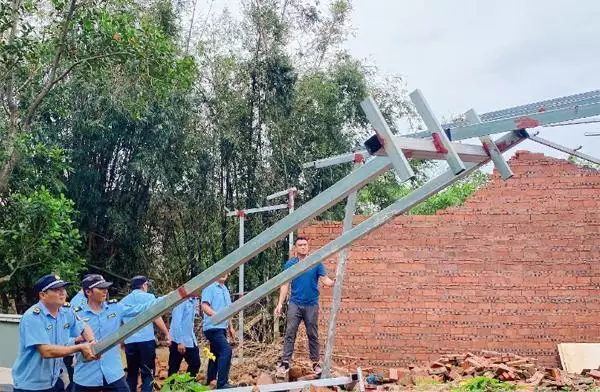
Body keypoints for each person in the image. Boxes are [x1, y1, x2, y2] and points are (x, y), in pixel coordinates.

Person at [71, 275, 161, 392]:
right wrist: (77, 341)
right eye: (100, 288)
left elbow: (142, 308)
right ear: (88, 291)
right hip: (87, 375)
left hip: (113, 373)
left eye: (106, 287)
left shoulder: (116, 308)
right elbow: (64, 340)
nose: (105, 291)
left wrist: (169, 297)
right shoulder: (76, 314)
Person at [12, 274, 96, 392]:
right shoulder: (32, 317)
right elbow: (46, 351)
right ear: (43, 295)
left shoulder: (66, 311)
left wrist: (92, 343)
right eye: (57, 290)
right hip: (31, 385)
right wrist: (80, 347)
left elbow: (83, 326)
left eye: (63, 289)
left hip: (54, 381)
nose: (63, 293)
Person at [274, 236, 335, 375]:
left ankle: (315, 363)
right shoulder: (290, 265)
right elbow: (285, 285)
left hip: (311, 305)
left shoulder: (316, 263)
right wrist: (279, 304)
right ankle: (285, 362)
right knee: (290, 333)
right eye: (300, 245)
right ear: (295, 248)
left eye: (305, 245)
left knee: (312, 334)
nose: (303, 247)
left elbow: (325, 280)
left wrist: (334, 282)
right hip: (295, 304)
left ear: (308, 247)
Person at [121, 276, 171, 392]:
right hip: (146, 341)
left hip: (130, 342)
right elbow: (156, 317)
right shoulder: (149, 298)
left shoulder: (123, 301)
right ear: (144, 285)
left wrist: (122, 341)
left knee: (132, 373)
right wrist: (166, 333)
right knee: (147, 373)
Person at [64, 274, 102, 392]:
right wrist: (75, 354)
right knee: (76, 383)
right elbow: (72, 330)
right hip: (76, 351)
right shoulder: (78, 302)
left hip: (86, 349)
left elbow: (84, 326)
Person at [201, 274, 235, 389]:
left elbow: (228, 310)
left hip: (222, 327)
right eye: (222, 271)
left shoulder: (225, 289)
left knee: (215, 354)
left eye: (227, 272)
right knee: (226, 351)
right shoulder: (209, 287)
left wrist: (230, 327)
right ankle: (222, 383)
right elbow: (204, 306)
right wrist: (217, 316)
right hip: (212, 327)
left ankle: (210, 380)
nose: (224, 274)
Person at [167, 295, 200, 378]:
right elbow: (176, 323)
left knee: (195, 364)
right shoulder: (181, 301)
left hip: (189, 339)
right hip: (177, 341)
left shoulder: (194, 300)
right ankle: (170, 388)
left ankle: (187, 386)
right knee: (174, 368)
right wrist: (180, 342)